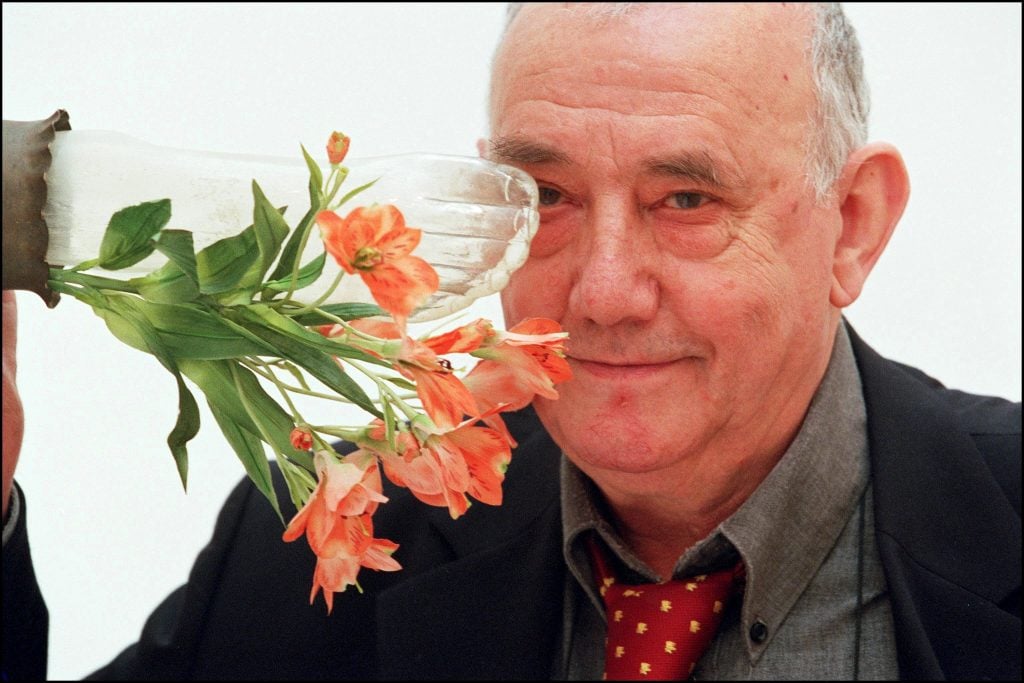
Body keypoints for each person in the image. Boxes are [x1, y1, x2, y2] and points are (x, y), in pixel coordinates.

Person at [3, 2, 1020, 680]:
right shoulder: (340, 531)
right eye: (546, 196)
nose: (603, 291)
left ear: (852, 225)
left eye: (685, 198)